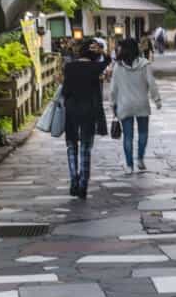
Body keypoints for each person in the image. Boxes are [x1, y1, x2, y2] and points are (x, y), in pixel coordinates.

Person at [61, 38, 110, 199]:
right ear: (93, 54)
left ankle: (74, 179)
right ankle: (83, 184)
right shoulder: (95, 67)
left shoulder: (69, 67)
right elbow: (109, 61)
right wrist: (102, 51)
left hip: (72, 110)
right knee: (85, 148)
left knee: (71, 146)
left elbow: (65, 91)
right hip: (89, 111)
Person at [110, 38, 162, 174]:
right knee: (143, 133)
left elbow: (113, 88)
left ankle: (129, 165)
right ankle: (140, 158)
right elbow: (152, 83)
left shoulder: (118, 66)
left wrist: (112, 103)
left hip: (124, 104)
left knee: (128, 136)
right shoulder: (145, 64)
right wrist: (157, 100)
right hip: (141, 103)